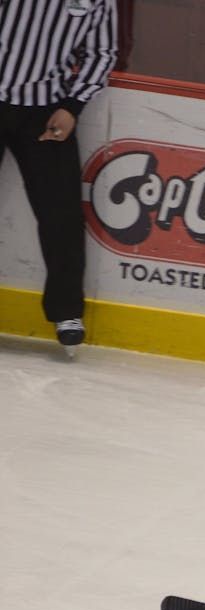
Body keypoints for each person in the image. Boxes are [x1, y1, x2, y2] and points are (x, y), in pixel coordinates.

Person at [0, 0, 118, 350]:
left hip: (45, 111)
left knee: (61, 214)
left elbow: (103, 51)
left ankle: (66, 310)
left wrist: (73, 106)